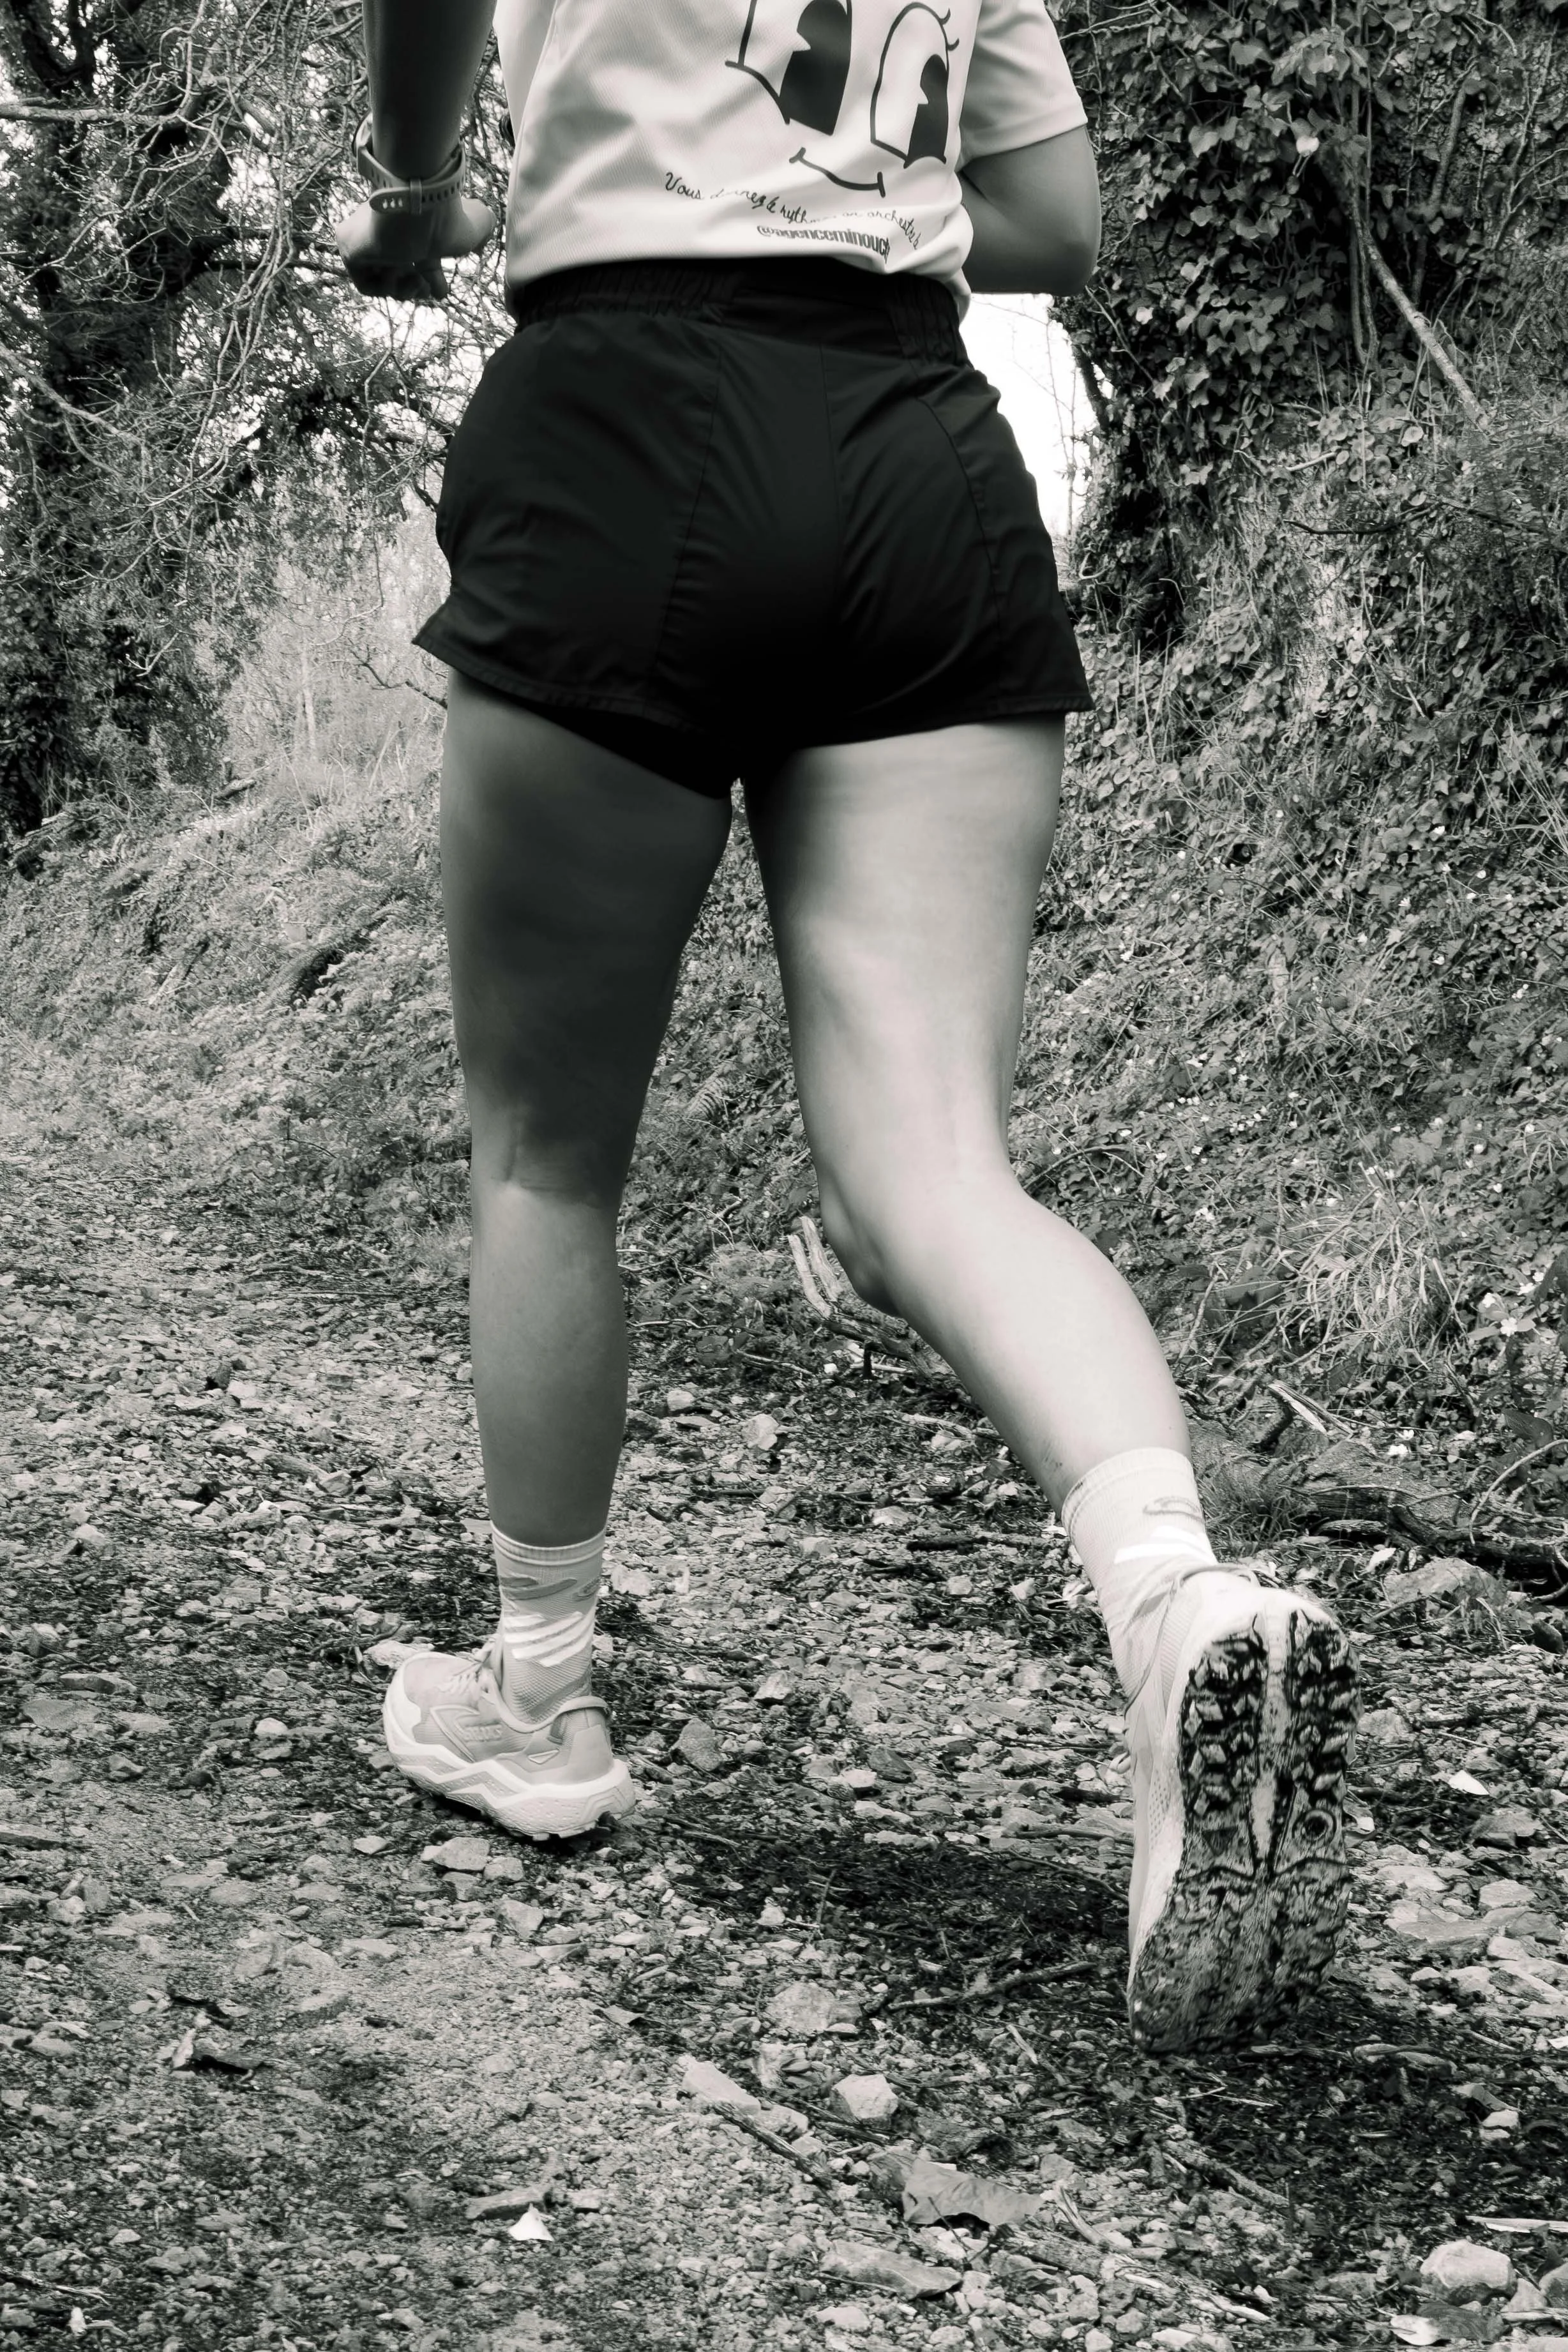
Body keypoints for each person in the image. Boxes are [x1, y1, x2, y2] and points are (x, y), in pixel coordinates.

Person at [335, 0, 1356, 2051]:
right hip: (911, 452)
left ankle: (538, 1687)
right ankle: (1175, 1600)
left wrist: (418, 190)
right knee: (936, 1166)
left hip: (621, 422)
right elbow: (1054, 214)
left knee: (547, 1154)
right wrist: (837, 193)